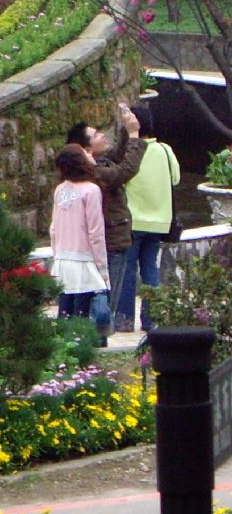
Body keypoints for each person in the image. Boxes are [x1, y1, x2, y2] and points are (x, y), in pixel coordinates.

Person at [65, 104, 143, 337]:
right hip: (109, 243)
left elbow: (118, 156)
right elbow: (124, 171)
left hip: (108, 242)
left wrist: (125, 129)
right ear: (86, 148)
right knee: (105, 302)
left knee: (101, 300)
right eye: (96, 135)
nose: (102, 136)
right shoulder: (95, 172)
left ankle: (93, 340)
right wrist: (134, 135)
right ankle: (97, 343)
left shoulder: (96, 165)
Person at [115, 101, 180, 333]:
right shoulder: (165, 150)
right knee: (150, 268)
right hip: (159, 221)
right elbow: (176, 180)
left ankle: (123, 321)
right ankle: (151, 320)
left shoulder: (129, 153)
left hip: (132, 222)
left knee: (128, 270)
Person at [49, 144, 110, 339]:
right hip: (84, 260)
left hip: (62, 259)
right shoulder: (91, 190)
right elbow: (96, 232)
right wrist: (102, 268)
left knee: (64, 311)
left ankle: (62, 351)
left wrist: (56, 254)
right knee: (82, 313)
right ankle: (82, 350)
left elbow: (53, 228)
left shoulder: (60, 190)